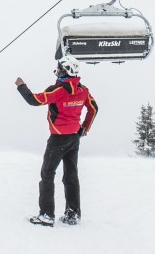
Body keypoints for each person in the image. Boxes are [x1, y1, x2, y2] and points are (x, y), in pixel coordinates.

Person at [16, 54, 98, 227]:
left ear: (66, 71)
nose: (57, 71)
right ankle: (73, 214)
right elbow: (94, 108)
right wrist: (84, 128)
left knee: (47, 174)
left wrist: (21, 86)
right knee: (71, 175)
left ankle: (46, 215)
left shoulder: (59, 90)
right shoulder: (83, 90)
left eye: (59, 69)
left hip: (58, 139)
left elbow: (34, 100)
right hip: (74, 138)